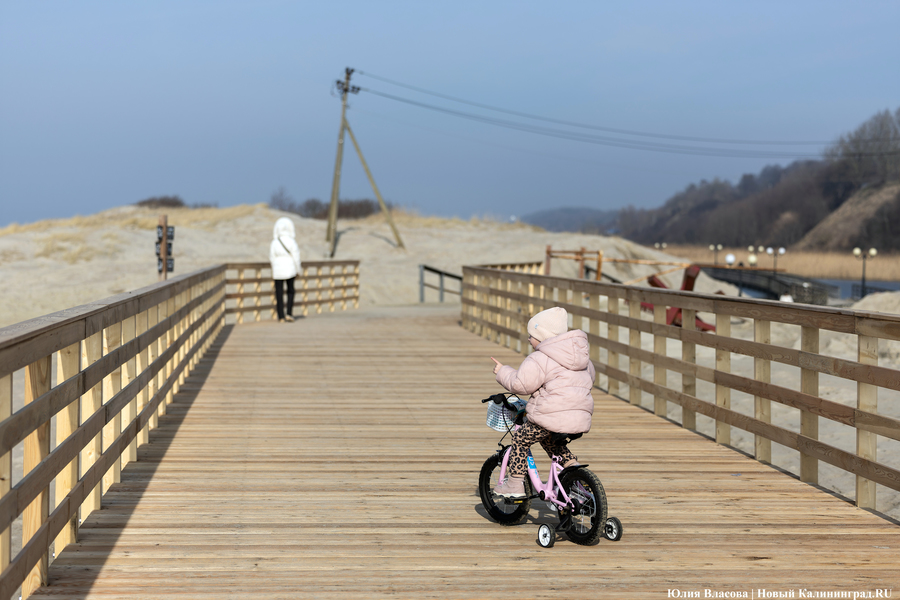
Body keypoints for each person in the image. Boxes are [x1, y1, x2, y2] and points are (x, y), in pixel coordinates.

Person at [489, 306, 595, 498]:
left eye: (532, 335)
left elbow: (521, 384)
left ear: (543, 335)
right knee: (552, 442)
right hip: (580, 416)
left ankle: (514, 486)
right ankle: (578, 479)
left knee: (520, 440)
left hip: (551, 415)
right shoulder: (583, 358)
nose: (529, 339)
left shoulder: (540, 358)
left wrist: (503, 371)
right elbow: (589, 379)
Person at [269, 217, 301, 323]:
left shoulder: (275, 242)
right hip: (290, 268)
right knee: (290, 290)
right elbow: (296, 256)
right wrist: (298, 269)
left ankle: (281, 316)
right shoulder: (292, 241)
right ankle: (289, 313)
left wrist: (275, 266)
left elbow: (271, 257)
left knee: (279, 292)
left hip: (278, 269)